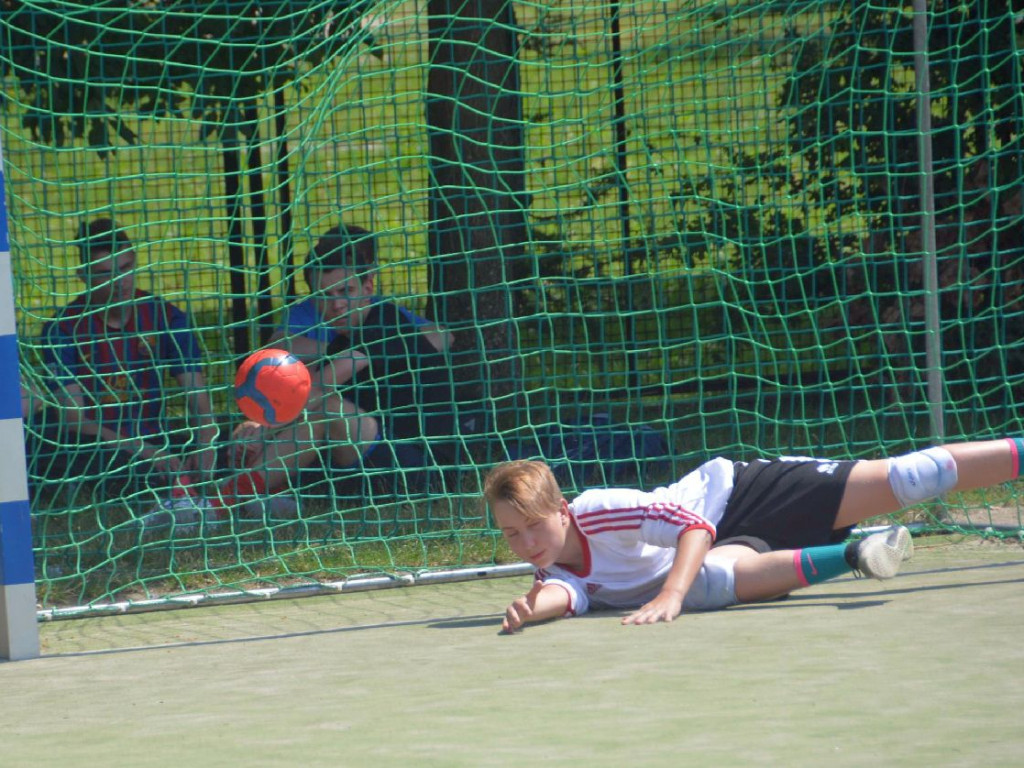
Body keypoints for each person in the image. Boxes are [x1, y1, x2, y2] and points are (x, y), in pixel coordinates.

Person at [484, 438, 1023, 632]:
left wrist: (670, 596)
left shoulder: (600, 511)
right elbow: (566, 592)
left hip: (742, 495)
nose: (527, 542)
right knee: (711, 584)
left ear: (560, 509)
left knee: (908, 479)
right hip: (722, 548)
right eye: (511, 535)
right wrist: (530, 611)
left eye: (533, 526)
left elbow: (695, 527)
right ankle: (858, 553)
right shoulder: (547, 563)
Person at [166, 223, 460, 518]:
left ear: (369, 286)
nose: (337, 305)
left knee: (325, 408)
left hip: (423, 471)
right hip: (374, 457)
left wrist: (262, 429)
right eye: (325, 296)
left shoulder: (384, 324)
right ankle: (250, 493)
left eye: (347, 291)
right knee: (310, 415)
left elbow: (316, 391)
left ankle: (219, 502)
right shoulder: (345, 336)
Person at [31, 218, 220, 492]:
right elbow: (75, 421)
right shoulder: (62, 329)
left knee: (238, 443)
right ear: (83, 276)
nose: (120, 282)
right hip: (98, 448)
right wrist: (144, 452)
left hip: (158, 439)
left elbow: (199, 402)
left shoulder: (166, 317)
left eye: (126, 268)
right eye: (106, 273)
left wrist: (206, 443)